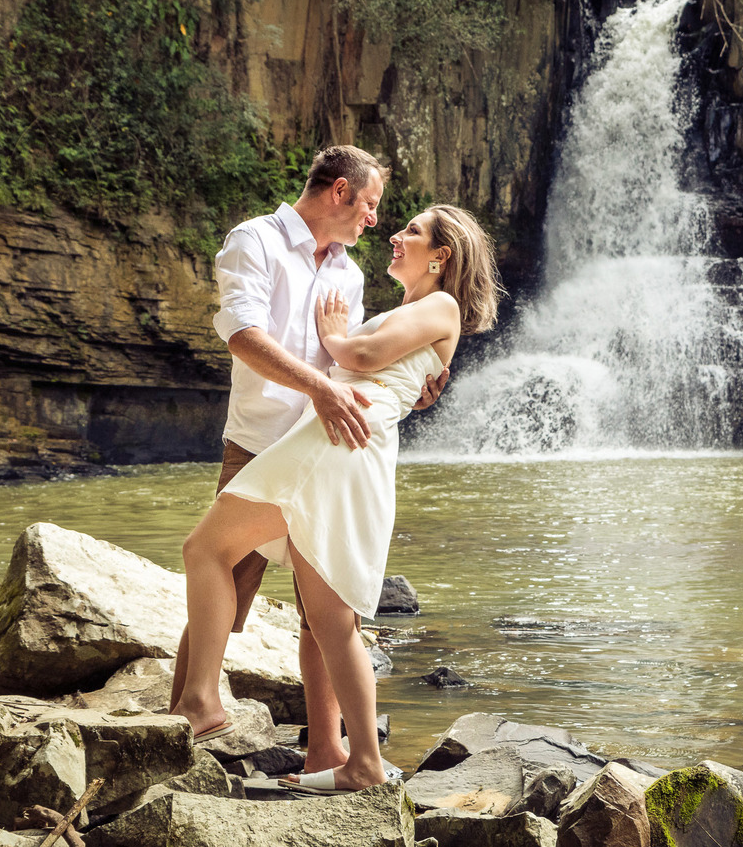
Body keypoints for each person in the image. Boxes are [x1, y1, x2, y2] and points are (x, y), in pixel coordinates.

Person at [173, 204, 503, 793]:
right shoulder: (411, 309)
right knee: (332, 620)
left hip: (333, 444)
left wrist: (334, 337)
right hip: (345, 443)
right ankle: (362, 763)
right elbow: (385, 369)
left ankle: (200, 702)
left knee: (206, 550)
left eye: (411, 231)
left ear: (442, 255)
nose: (394, 235)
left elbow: (367, 359)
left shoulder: (440, 304)